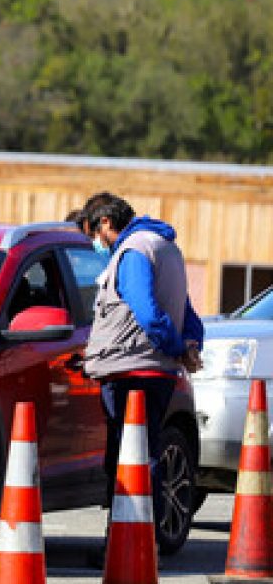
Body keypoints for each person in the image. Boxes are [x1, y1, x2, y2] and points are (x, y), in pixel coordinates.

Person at [82, 195, 203, 561]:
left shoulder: (133, 250)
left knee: (129, 459)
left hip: (131, 370)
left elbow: (148, 312)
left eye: (94, 233)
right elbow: (186, 310)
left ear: (105, 222)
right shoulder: (166, 247)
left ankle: (128, 547)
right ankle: (133, 544)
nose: (97, 244)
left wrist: (175, 345)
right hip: (156, 370)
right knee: (141, 453)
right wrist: (189, 344)